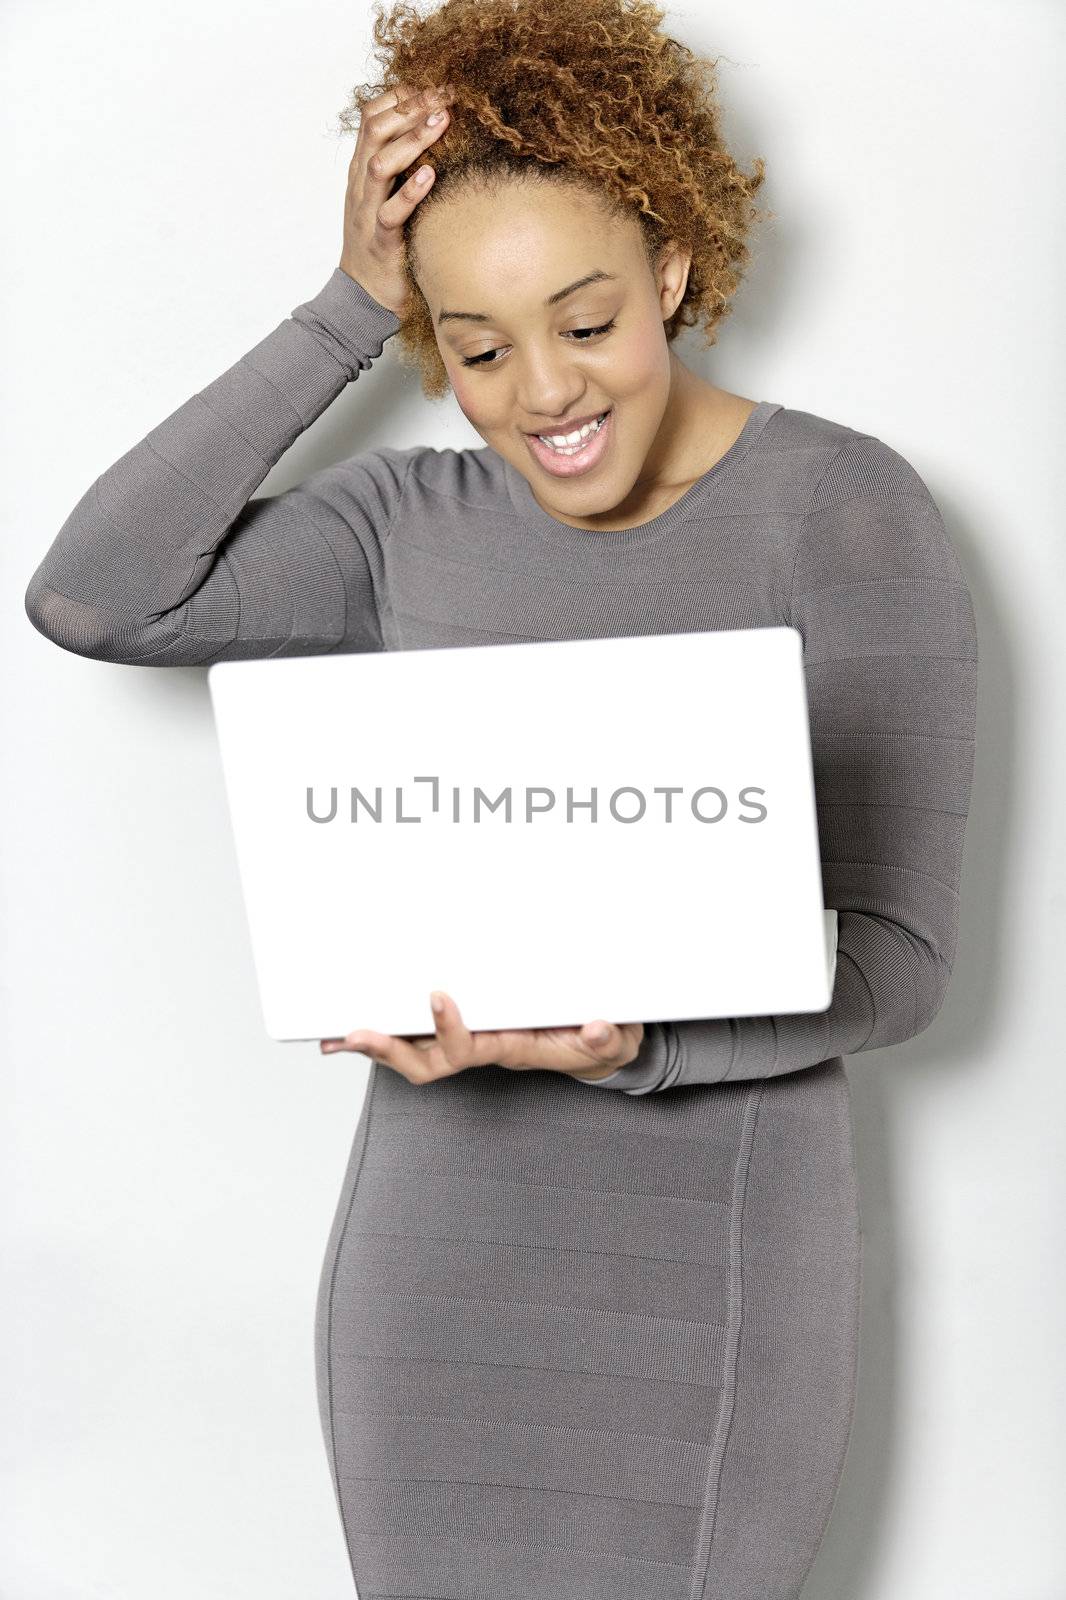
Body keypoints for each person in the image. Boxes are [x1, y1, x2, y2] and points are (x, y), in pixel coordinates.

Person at [22, 0, 979, 1594]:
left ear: (673, 267)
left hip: (704, 1264)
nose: (543, 392)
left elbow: (896, 959)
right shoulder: (407, 517)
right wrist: (342, 306)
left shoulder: (842, 509)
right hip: (436, 1259)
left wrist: (639, 1044)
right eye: (474, 347)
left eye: (587, 321)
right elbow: (97, 600)